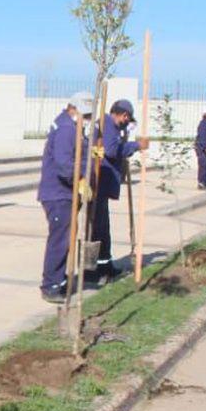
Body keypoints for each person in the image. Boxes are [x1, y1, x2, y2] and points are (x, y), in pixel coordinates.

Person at [36, 92, 96, 302]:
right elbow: (64, 164)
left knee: (65, 238)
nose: (87, 119)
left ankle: (59, 280)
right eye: (85, 115)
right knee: (60, 240)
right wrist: (78, 179)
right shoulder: (66, 129)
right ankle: (51, 285)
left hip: (63, 193)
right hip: (58, 193)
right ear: (74, 109)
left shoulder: (71, 127)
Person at [91, 99, 148, 281]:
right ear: (123, 115)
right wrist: (136, 146)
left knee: (103, 228)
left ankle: (105, 265)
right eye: (127, 118)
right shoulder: (107, 125)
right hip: (98, 182)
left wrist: (128, 140)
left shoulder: (114, 127)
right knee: (96, 229)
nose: (127, 121)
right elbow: (112, 150)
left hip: (104, 183)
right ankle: (91, 270)